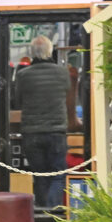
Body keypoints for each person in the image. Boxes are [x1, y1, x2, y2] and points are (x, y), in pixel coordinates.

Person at [15, 35, 70, 208]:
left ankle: (41, 210)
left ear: (32, 52)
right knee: (58, 174)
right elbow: (68, 94)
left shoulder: (23, 75)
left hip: (31, 132)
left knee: (39, 173)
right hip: (57, 131)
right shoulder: (63, 72)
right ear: (50, 50)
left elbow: (16, 101)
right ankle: (52, 212)